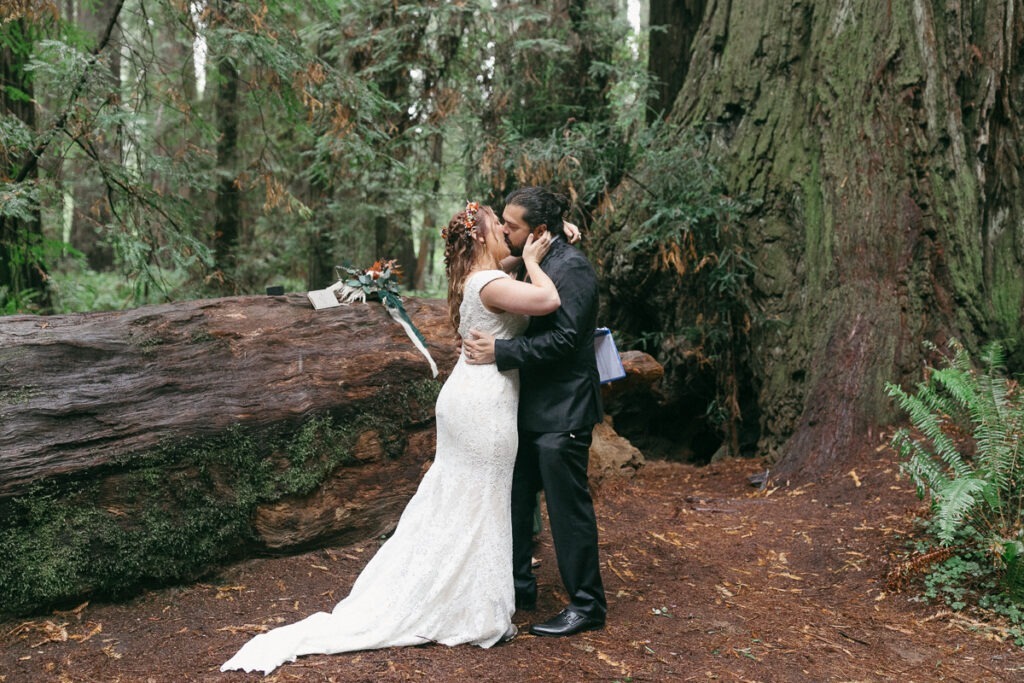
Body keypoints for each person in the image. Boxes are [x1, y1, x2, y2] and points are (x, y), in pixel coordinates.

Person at [220, 202, 558, 675]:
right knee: (480, 496)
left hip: (471, 395)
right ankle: (471, 605)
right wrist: (538, 264)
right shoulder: (491, 283)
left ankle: (463, 591)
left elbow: (508, 266)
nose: (506, 231)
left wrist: (540, 246)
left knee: (466, 497)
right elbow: (548, 302)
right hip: (483, 404)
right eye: (496, 226)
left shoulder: (481, 275)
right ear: (481, 238)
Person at [464, 186, 607, 638]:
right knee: (516, 500)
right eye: (503, 223)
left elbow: (566, 341)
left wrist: (501, 351)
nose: (505, 230)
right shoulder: (537, 257)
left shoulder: (573, 269)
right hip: (525, 409)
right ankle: (519, 586)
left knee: (568, 510)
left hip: (563, 411)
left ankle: (587, 604)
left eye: (514, 226)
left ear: (538, 230)